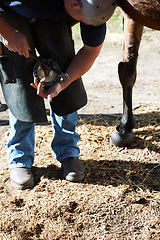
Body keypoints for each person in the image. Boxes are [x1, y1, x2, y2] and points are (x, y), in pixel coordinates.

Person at [0, 0, 117, 190]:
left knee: (63, 58)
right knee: (20, 84)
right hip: (10, 13)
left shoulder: (96, 8)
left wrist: (63, 83)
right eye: (83, 21)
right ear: (74, 4)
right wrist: (7, 33)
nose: (86, 25)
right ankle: (19, 159)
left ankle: (68, 152)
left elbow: (90, 51)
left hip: (49, 16)